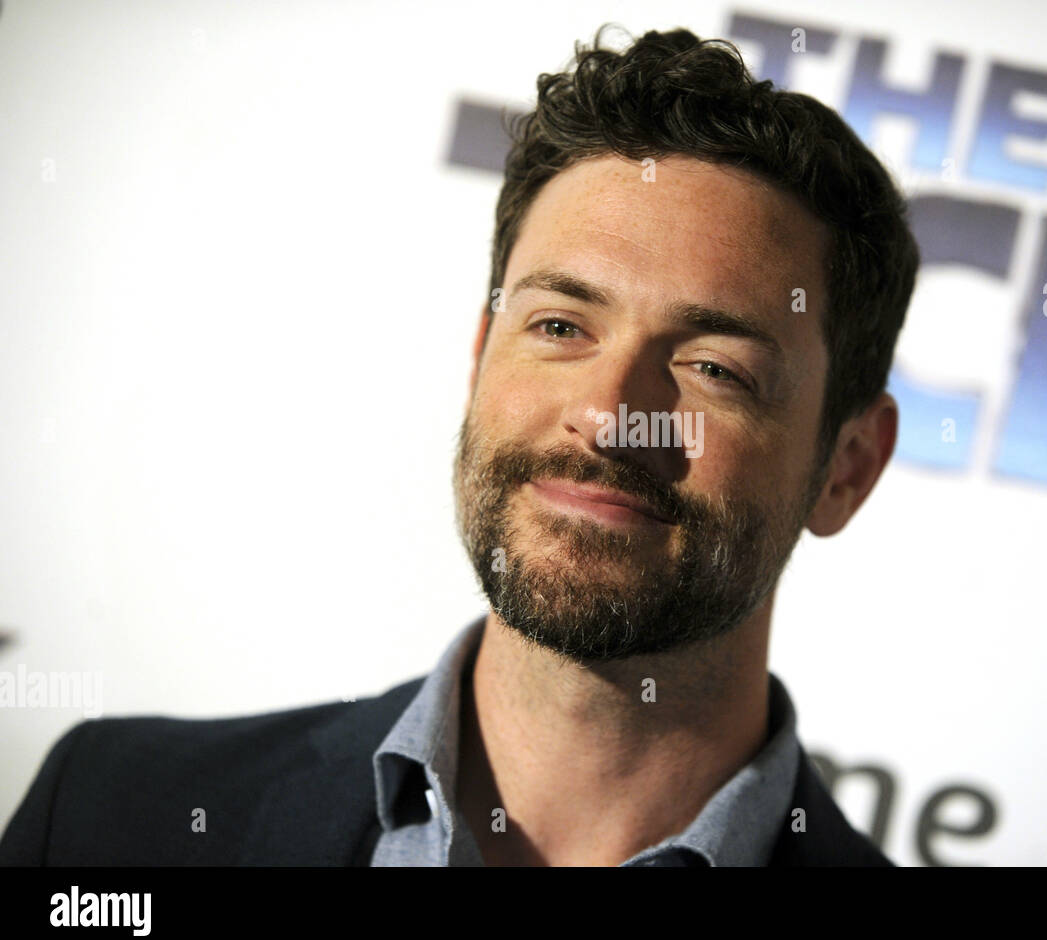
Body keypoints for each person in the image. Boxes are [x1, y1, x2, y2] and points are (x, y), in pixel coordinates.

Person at [0, 25, 918, 867]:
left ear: (848, 468)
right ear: (482, 354)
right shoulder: (109, 818)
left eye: (715, 368)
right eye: (560, 325)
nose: (608, 416)